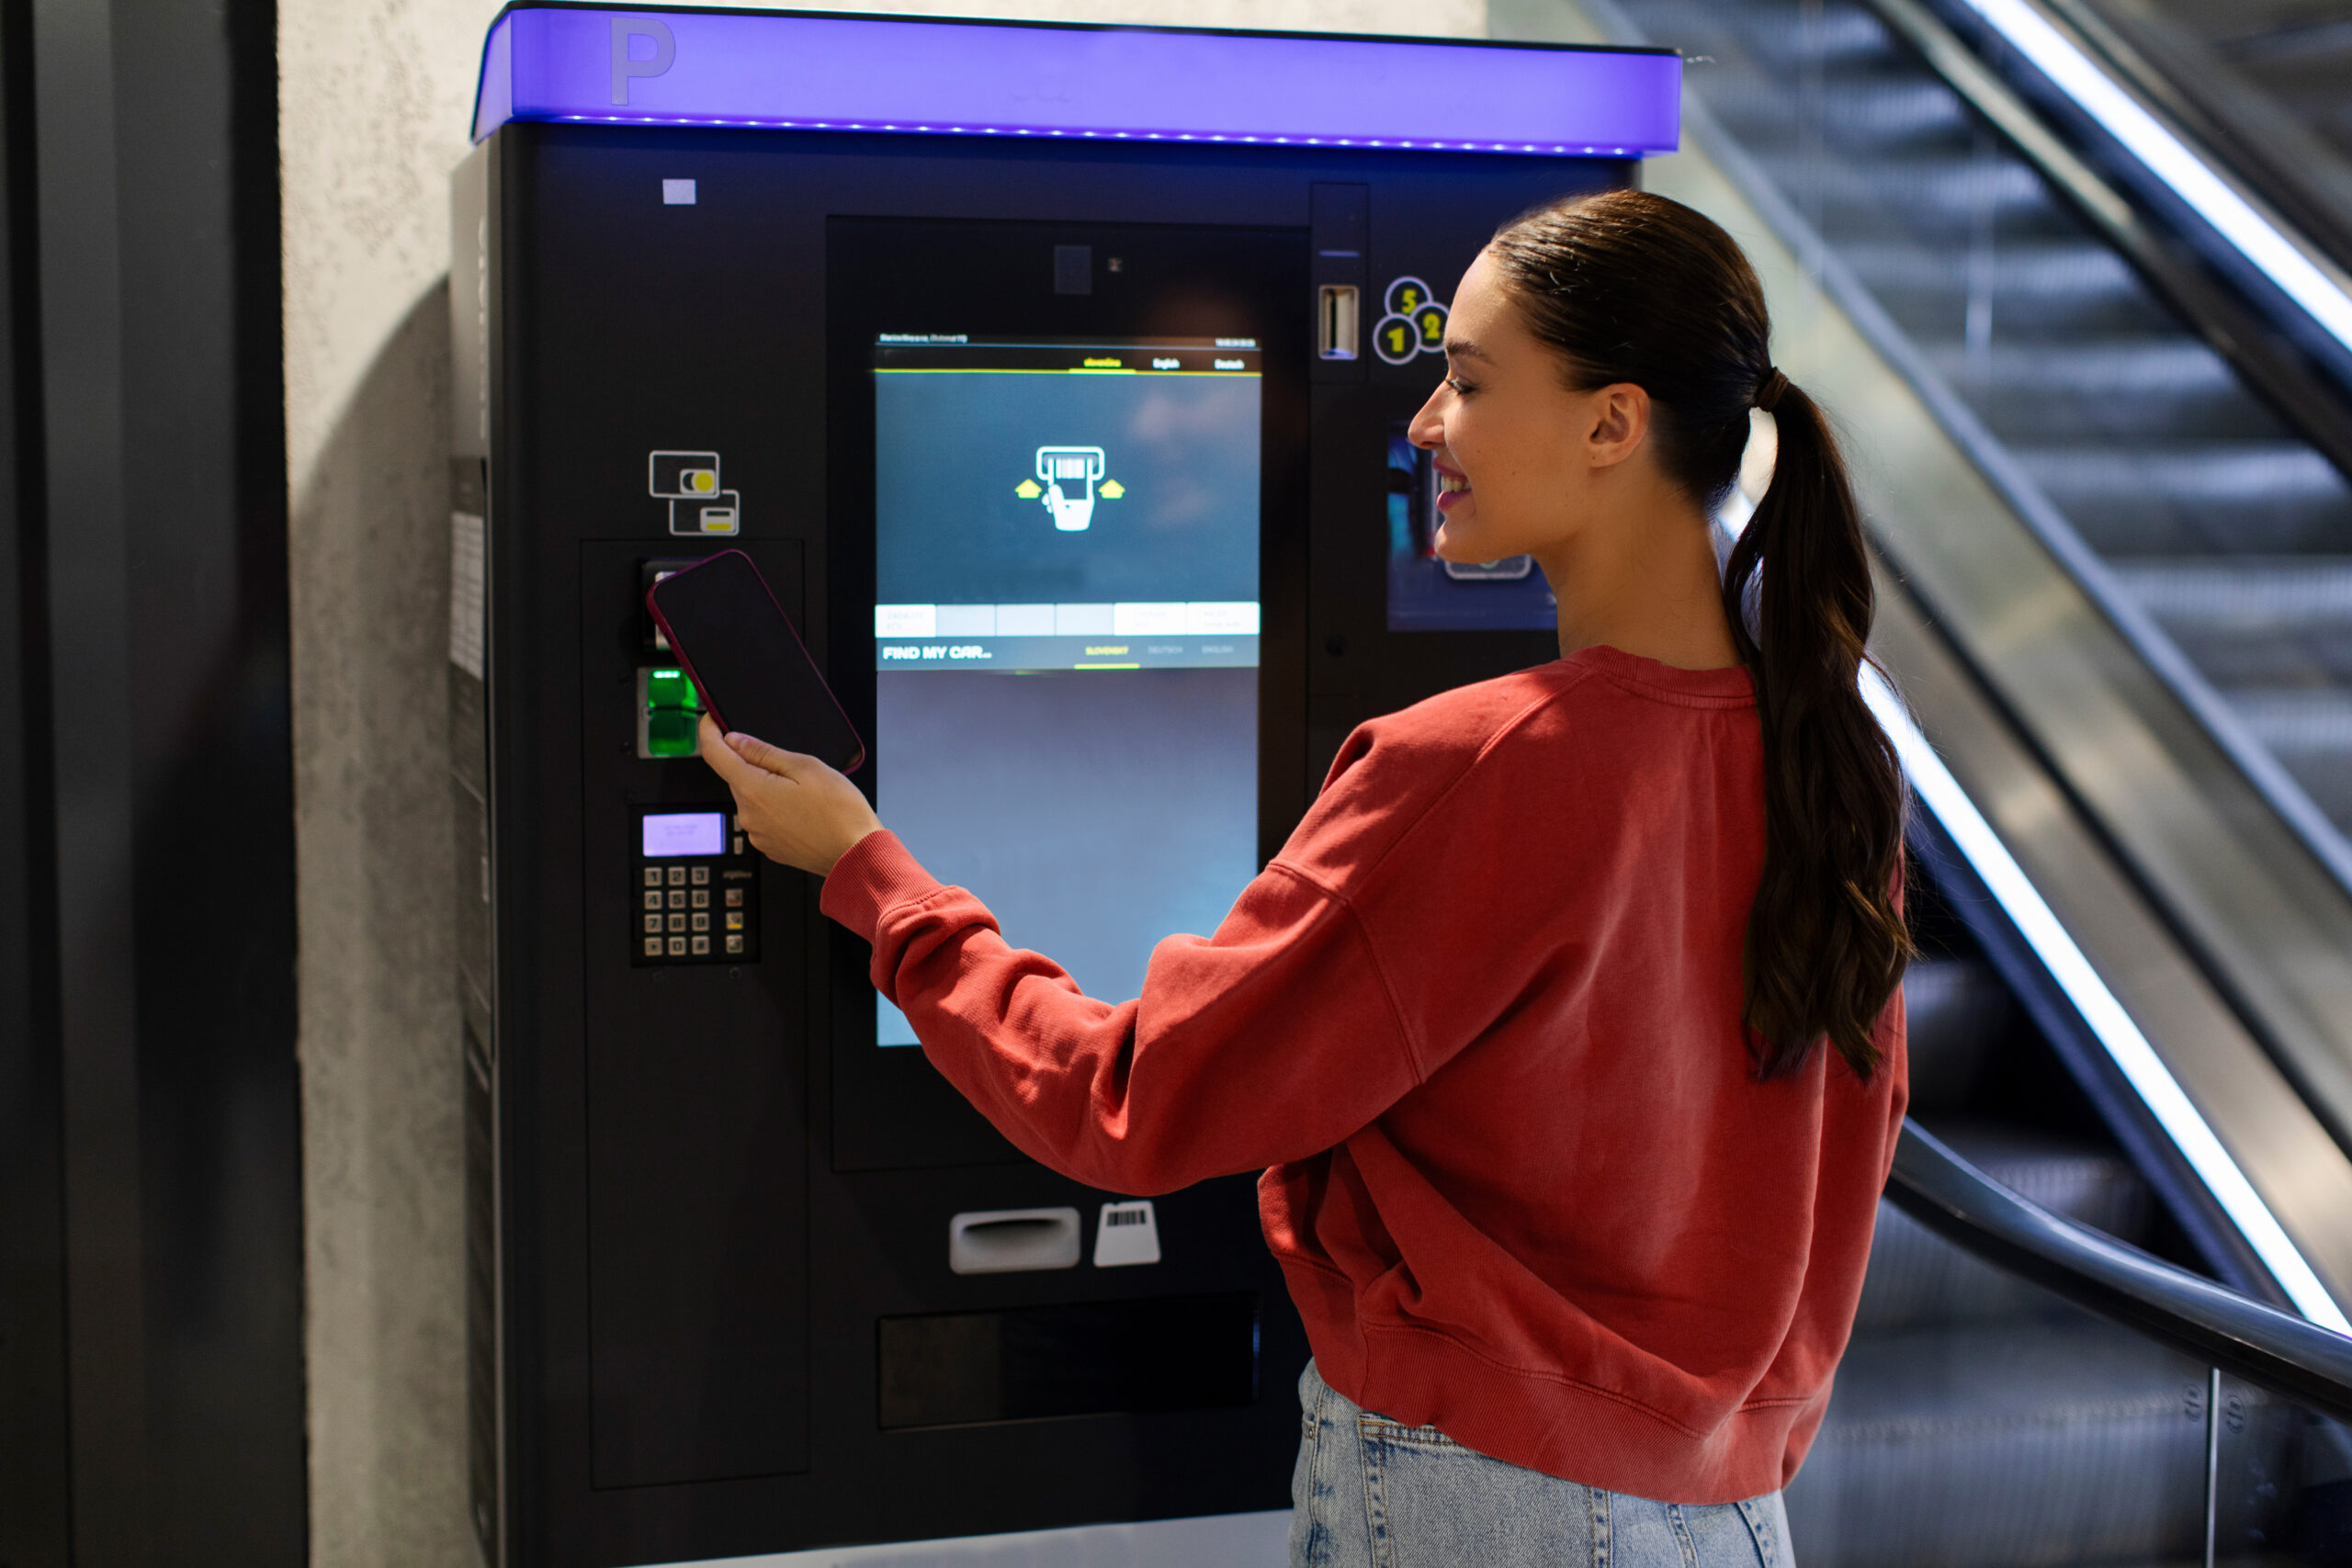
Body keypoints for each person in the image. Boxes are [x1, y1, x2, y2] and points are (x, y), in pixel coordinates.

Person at [696, 187, 1911, 1568]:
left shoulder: (1479, 764)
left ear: (1611, 424)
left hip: (1486, 1506)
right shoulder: (1830, 761)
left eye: (1469, 382)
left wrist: (872, 879)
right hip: (1728, 1517)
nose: (1424, 425)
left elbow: (1131, 1103)